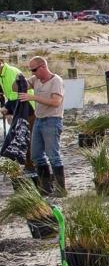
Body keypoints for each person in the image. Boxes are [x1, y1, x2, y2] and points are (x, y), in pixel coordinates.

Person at [19, 56, 65, 195]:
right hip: (39, 120)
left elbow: (56, 102)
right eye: (31, 70)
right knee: (36, 155)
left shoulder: (56, 81)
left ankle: (61, 189)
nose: (33, 73)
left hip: (52, 120)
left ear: (43, 67)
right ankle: (45, 188)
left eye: (34, 70)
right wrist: (19, 80)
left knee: (53, 155)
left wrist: (33, 97)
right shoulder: (35, 79)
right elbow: (19, 87)